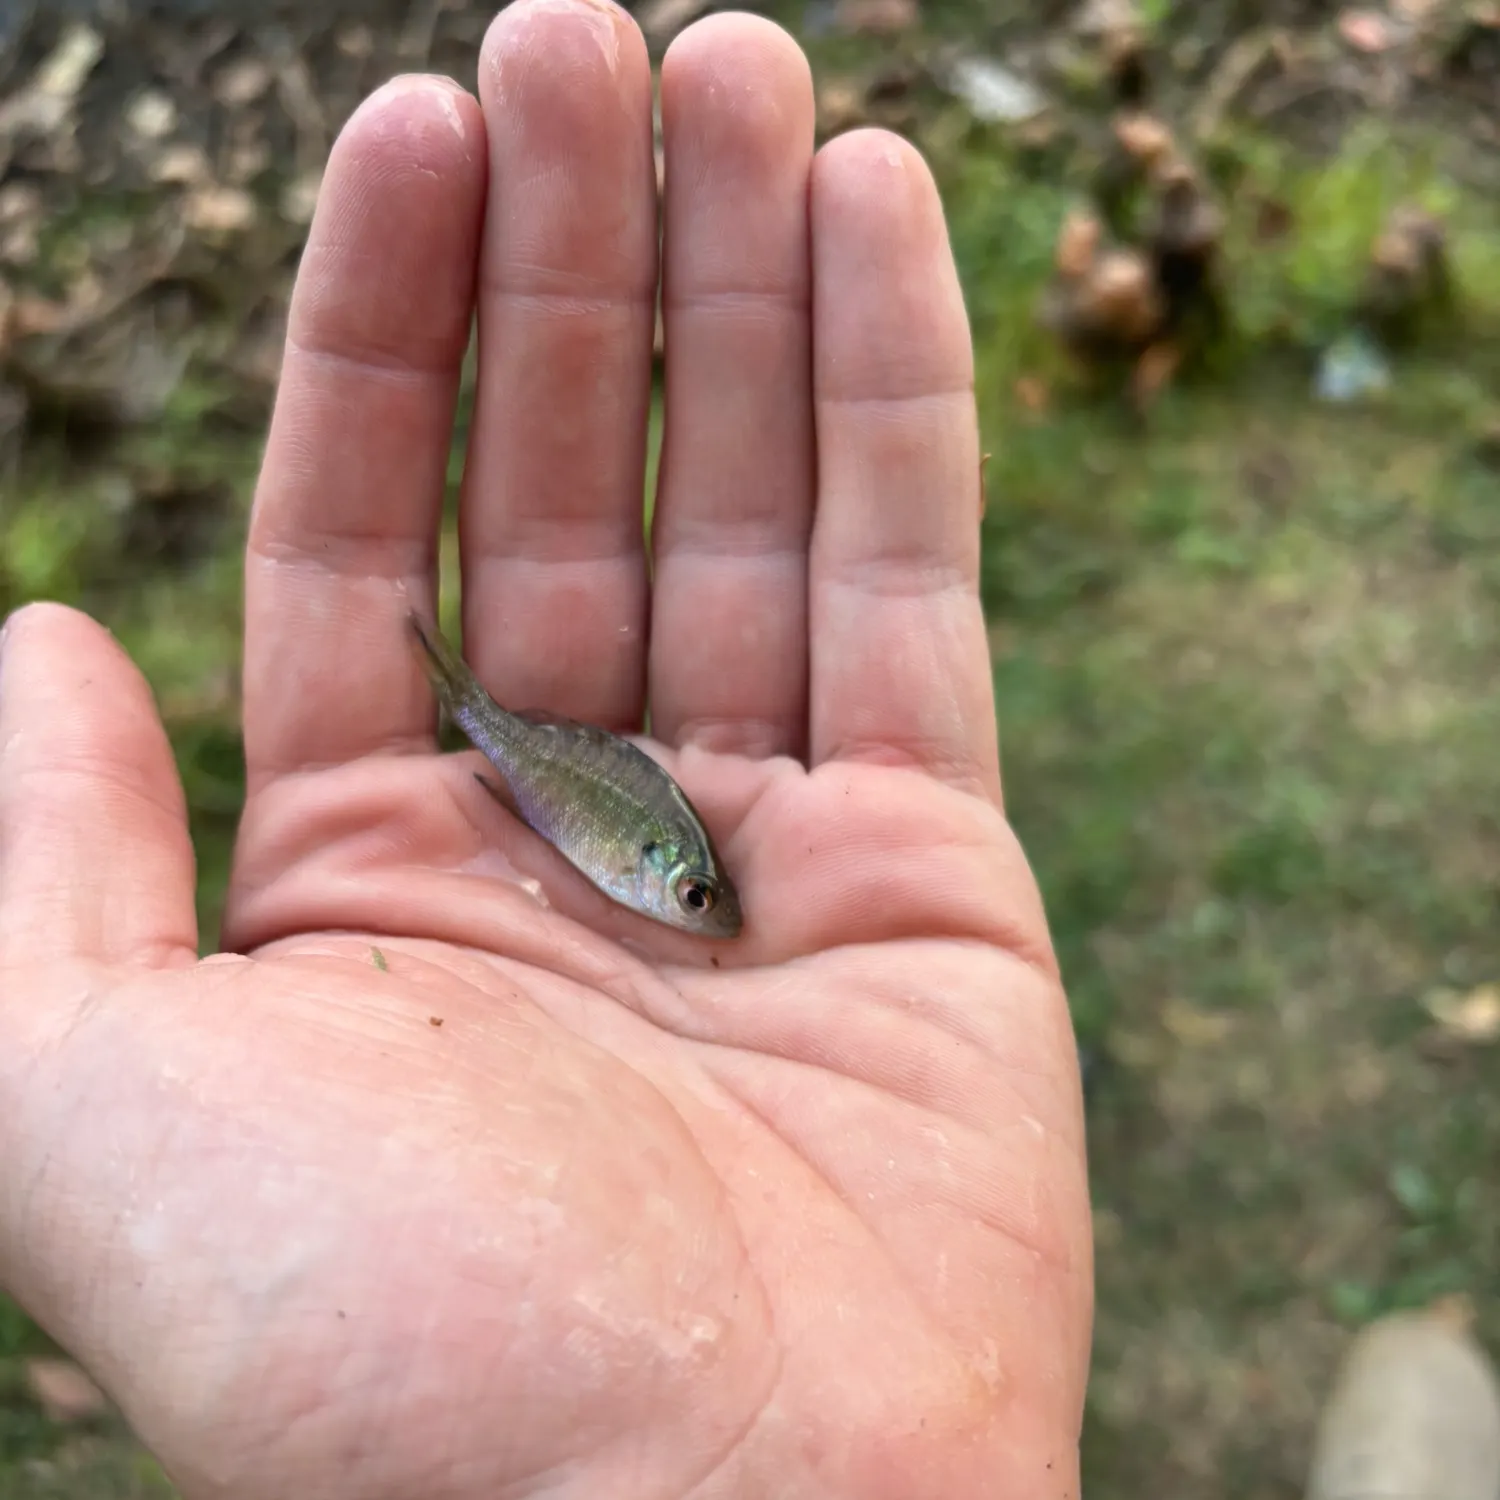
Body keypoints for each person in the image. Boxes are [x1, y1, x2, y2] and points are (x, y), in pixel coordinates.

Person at [0, 4, 1093, 1496]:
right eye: (693, 892)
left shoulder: (655, 851)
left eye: (693, 896)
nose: (695, 903)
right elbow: (622, 816)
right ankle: (461, 690)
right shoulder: (635, 845)